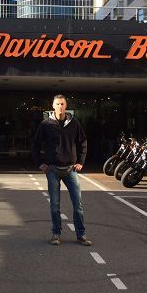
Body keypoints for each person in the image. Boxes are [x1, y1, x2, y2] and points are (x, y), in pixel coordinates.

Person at [32, 95, 92, 246]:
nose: (60, 106)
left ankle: (81, 235)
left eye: (62, 104)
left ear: (66, 106)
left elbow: (83, 142)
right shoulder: (46, 124)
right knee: (55, 205)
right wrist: (40, 163)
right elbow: (36, 145)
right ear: (53, 106)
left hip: (71, 169)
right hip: (52, 169)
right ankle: (56, 234)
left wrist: (80, 162)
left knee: (78, 204)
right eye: (57, 104)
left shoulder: (74, 123)